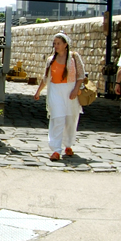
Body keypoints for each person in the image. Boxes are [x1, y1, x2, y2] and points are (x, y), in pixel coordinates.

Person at [33, 32, 86, 161]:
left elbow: (81, 75)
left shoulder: (74, 57)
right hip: (56, 90)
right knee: (58, 118)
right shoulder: (51, 60)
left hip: (70, 90)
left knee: (70, 120)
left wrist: (76, 89)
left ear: (65, 45)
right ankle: (56, 149)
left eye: (58, 43)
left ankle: (68, 144)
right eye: (54, 43)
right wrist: (38, 91)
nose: (56, 46)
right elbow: (46, 77)